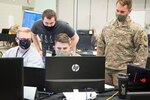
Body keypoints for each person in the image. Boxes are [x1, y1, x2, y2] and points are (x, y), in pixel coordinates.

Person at [96, 0, 148, 86]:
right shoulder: (107, 26)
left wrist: (137, 73)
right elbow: (101, 45)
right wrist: (98, 65)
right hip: (106, 70)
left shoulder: (136, 29)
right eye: (117, 10)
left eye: (122, 12)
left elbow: (142, 52)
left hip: (123, 72)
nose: (119, 13)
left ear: (130, 11)